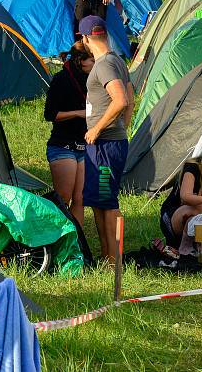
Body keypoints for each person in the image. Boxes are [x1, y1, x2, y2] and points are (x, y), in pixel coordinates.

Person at [79, 15, 134, 264]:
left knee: (108, 201)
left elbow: (121, 100)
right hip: (108, 142)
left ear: (86, 38)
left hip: (105, 144)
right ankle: (107, 255)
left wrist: (98, 129)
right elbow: (131, 101)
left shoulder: (103, 65)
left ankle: (115, 259)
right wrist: (123, 126)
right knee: (99, 201)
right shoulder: (117, 60)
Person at [43, 41, 95, 225]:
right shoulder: (61, 80)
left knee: (80, 200)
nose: (95, 64)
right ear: (81, 61)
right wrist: (78, 113)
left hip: (83, 146)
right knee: (64, 199)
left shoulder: (92, 81)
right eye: (92, 60)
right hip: (63, 146)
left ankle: (77, 243)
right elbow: (50, 114)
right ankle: (56, 239)